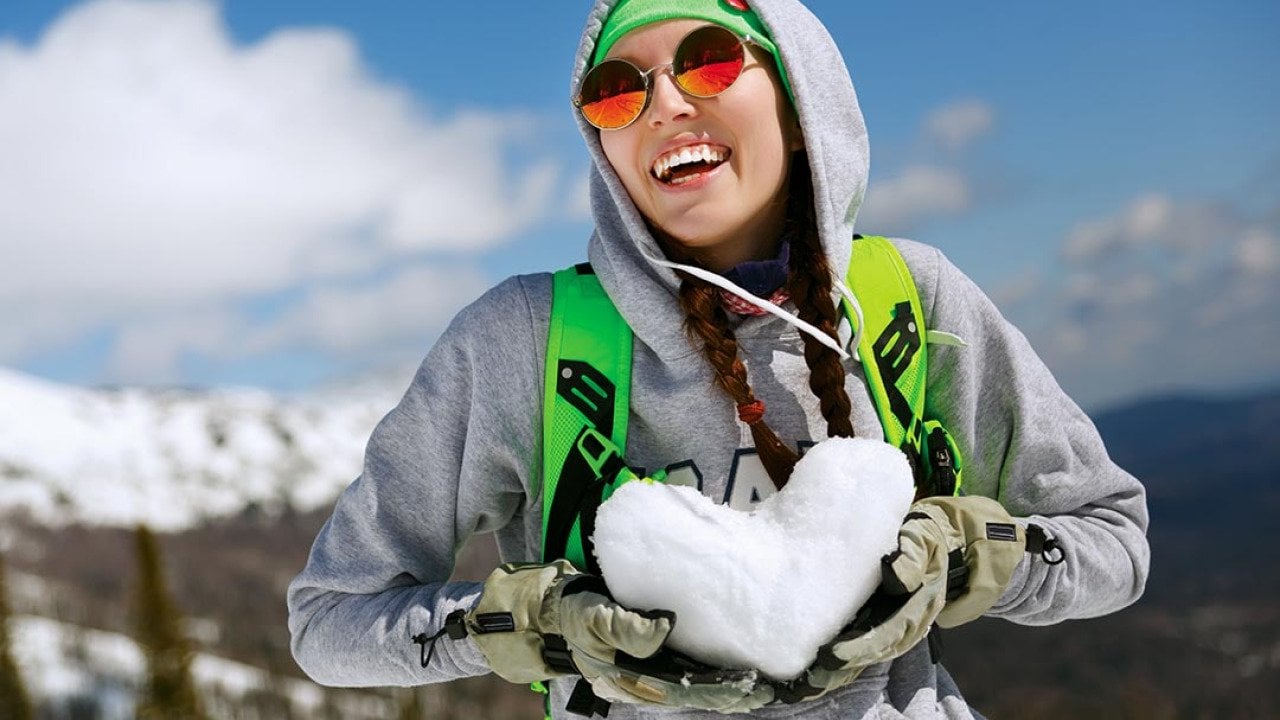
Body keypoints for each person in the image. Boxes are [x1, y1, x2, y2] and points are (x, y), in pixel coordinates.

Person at [287, 0, 1150, 717]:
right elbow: (331, 623)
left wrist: (964, 559)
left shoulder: (909, 303)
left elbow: (1113, 542)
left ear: (802, 100)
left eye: (706, 60)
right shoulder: (523, 340)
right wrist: (533, 624)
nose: (663, 105)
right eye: (617, 92)